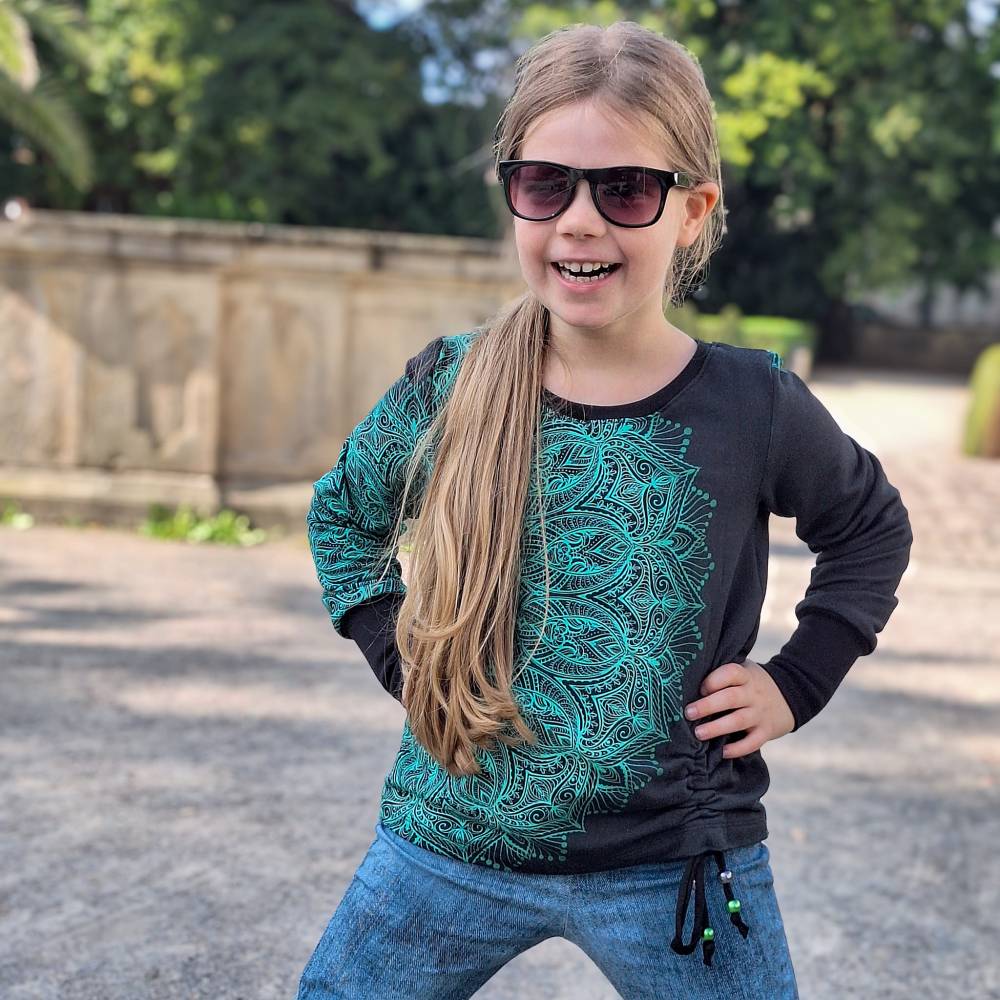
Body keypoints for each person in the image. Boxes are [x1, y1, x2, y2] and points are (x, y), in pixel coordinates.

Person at [295, 20, 912, 1000]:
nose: (579, 221)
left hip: (676, 866)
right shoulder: (450, 383)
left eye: (624, 189)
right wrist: (404, 662)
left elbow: (870, 526)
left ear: (692, 211)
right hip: (449, 841)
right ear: (513, 195)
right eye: (546, 185)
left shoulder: (753, 404)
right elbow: (343, 517)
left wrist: (797, 682)